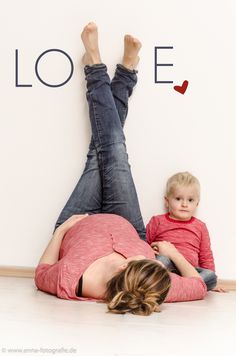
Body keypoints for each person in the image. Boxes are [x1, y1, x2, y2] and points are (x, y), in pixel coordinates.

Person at [34, 23, 207, 316]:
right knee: (113, 152)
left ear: (127, 267)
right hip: (127, 222)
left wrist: (63, 229)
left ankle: (103, 68)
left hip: (78, 222)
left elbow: (42, 273)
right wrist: (172, 253)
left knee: (101, 153)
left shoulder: (72, 281)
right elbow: (199, 286)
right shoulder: (156, 285)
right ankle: (116, 72)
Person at [146, 171, 219, 291]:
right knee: (159, 261)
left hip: (190, 270)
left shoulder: (200, 226)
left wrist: (213, 283)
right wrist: (150, 250)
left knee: (211, 277)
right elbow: (144, 243)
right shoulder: (157, 221)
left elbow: (206, 256)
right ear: (167, 201)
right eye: (178, 199)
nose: (184, 204)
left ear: (197, 203)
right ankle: (185, 285)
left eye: (190, 200)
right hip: (166, 265)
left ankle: (172, 285)